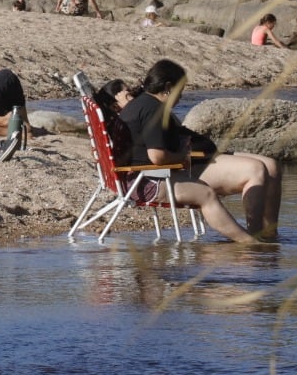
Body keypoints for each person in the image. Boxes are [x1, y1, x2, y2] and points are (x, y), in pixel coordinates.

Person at [119, 58, 282, 241]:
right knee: (256, 169)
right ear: (168, 87)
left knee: (271, 165)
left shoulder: (144, 104)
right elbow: (157, 156)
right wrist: (182, 156)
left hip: (176, 164)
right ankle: (255, 238)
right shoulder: (152, 109)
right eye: (180, 91)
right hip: (171, 171)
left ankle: (270, 235)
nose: (180, 98)